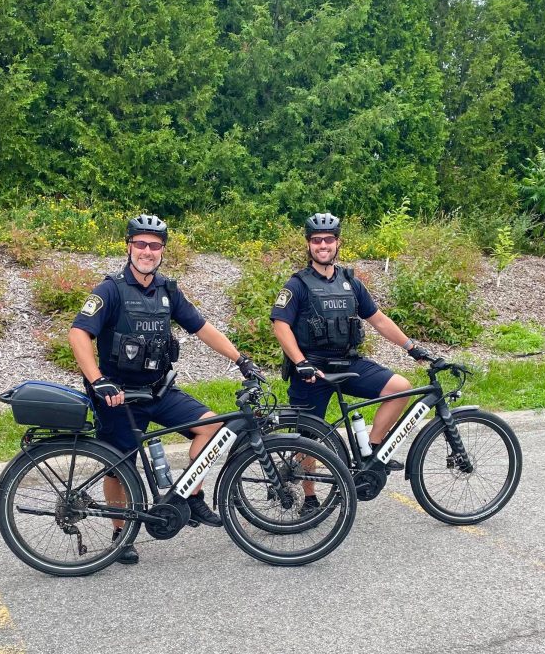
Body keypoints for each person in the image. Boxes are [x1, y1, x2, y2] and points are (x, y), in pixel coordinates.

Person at [69, 214, 262, 565]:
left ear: (162, 251)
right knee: (117, 466)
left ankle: (191, 496)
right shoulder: (110, 290)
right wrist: (98, 380)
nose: (147, 251)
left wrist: (241, 359)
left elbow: (202, 328)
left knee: (213, 427)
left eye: (154, 245)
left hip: (159, 390)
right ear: (129, 246)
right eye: (141, 244)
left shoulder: (167, 290)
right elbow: (79, 333)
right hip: (119, 396)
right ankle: (120, 533)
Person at [270, 212, 430, 513]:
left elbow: (379, 319)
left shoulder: (350, 282)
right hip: (312, 370)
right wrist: (301, 362)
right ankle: (311, 496)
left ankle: (370, 452)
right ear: (308, 245)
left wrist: (412, 347)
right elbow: (281, 325)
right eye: (316, 240)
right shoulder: (297, 285)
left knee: (400, 388)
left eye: (328, 239)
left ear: (337, 242)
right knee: (310, 437)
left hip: (348, 363)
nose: (322, 245)